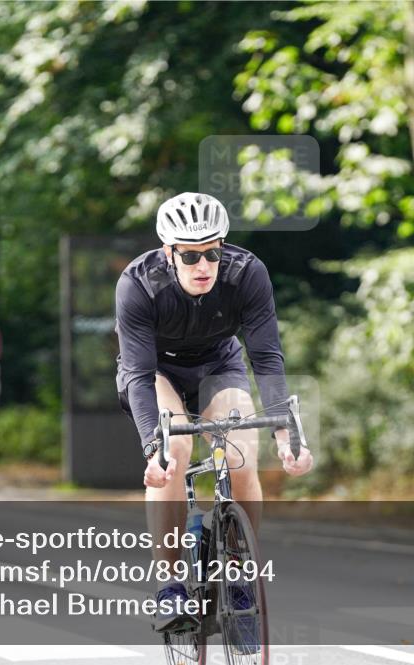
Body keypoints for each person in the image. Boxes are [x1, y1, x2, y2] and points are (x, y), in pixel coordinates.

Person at [114, 192, 313, 633]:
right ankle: (169, 584)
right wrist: (154, 446)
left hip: (218, 364)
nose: (203, 266)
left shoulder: (247, 273)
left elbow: (266, 357)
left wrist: (285, 434)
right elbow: (139, 372)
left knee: (242, 453)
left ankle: (241, 570)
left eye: (212, 252)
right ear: (169, 253)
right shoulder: (138, 284)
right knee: (176, 448)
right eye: (189, 255)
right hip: (155, 372)